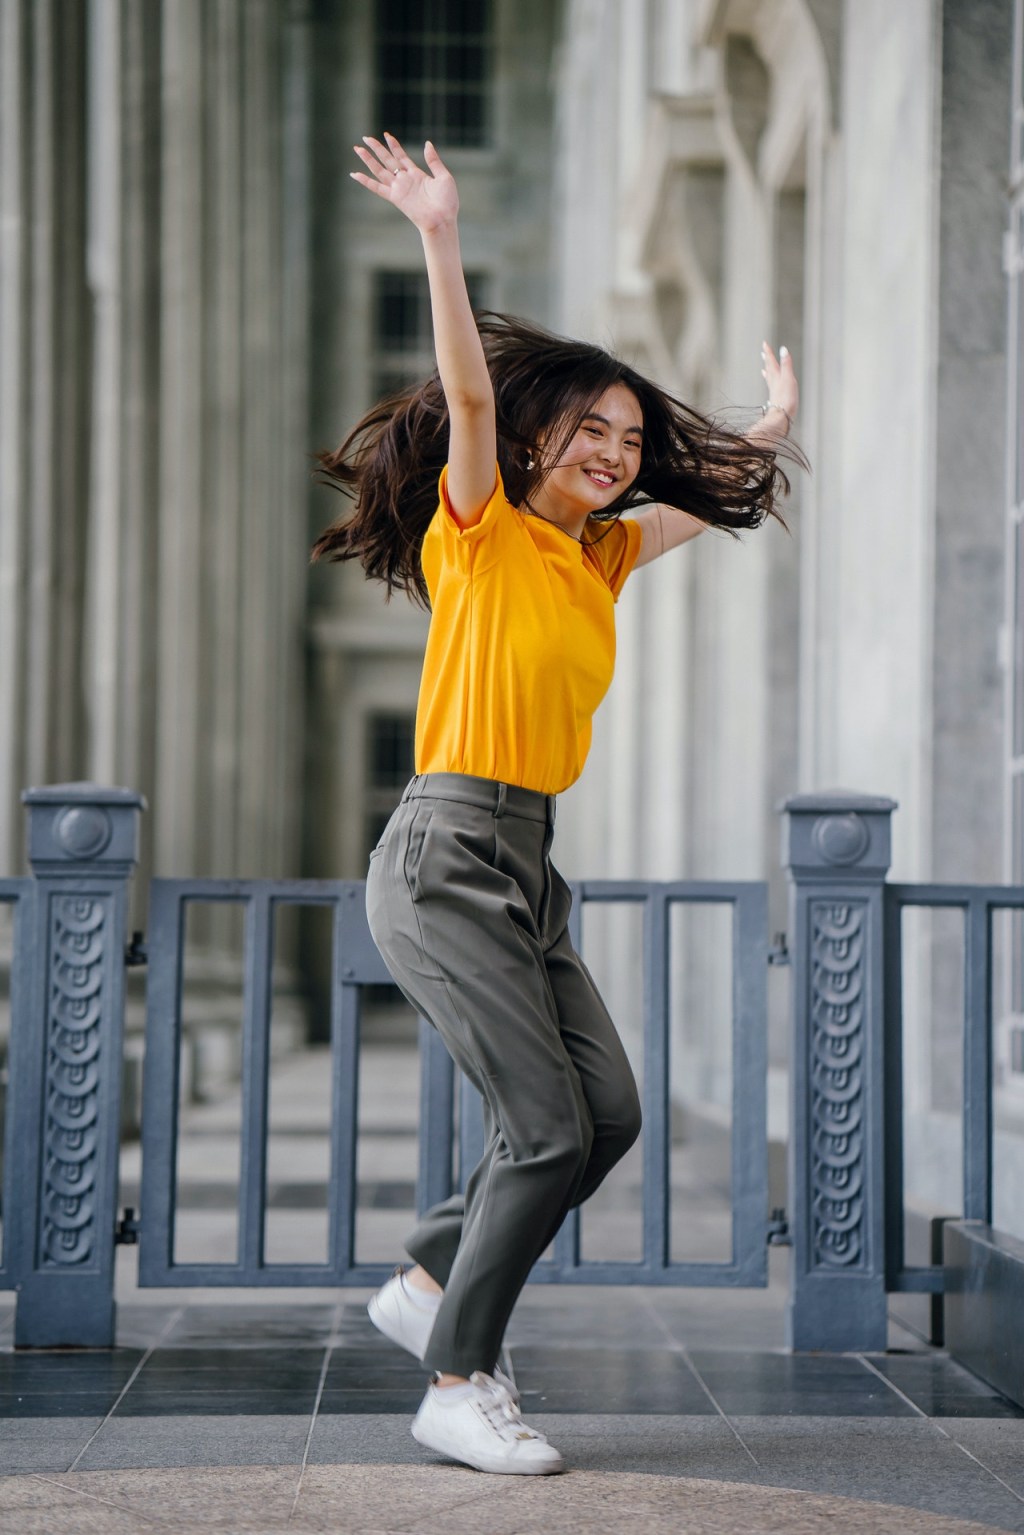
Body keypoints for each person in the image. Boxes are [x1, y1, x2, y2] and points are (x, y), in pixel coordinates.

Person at [312, 132, 800, 1476]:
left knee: (610, 1116)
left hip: (527, 862)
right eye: (592, 430)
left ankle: (426, 1274)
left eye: (630, 440)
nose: (614, 453)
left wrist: (760, 434)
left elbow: (702, 506)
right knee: (542, 1129)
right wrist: (438, 232)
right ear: (540, 437)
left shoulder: (602, 555)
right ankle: (456, 1377)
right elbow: (468, 403)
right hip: (444, 849)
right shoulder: (482, 530)